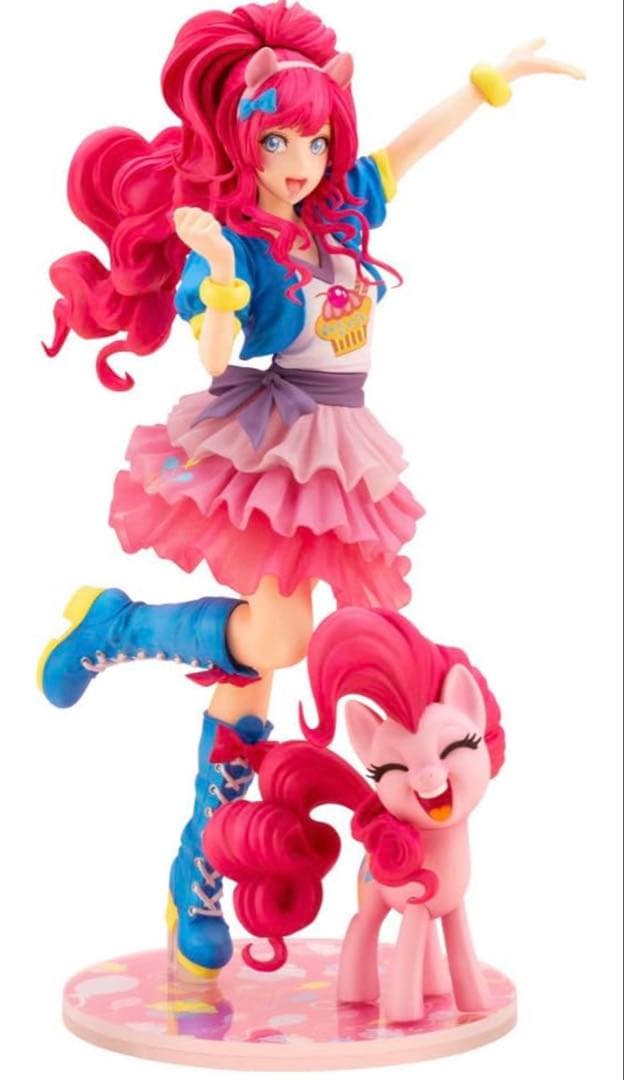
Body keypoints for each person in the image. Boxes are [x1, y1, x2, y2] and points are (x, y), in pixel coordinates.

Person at [39, 0, 582, 978]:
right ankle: (118, 628)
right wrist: (217, 270)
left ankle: (194, 881)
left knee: (261, 676)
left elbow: (410, 148)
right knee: (281, 640)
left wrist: (486, 84)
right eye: (277, 141)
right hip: (276, 442)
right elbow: (213, 358)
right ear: (239, 141)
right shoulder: (239, 242)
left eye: (316, 138)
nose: (300, 161)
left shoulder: (341, 212)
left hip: (343, 446)